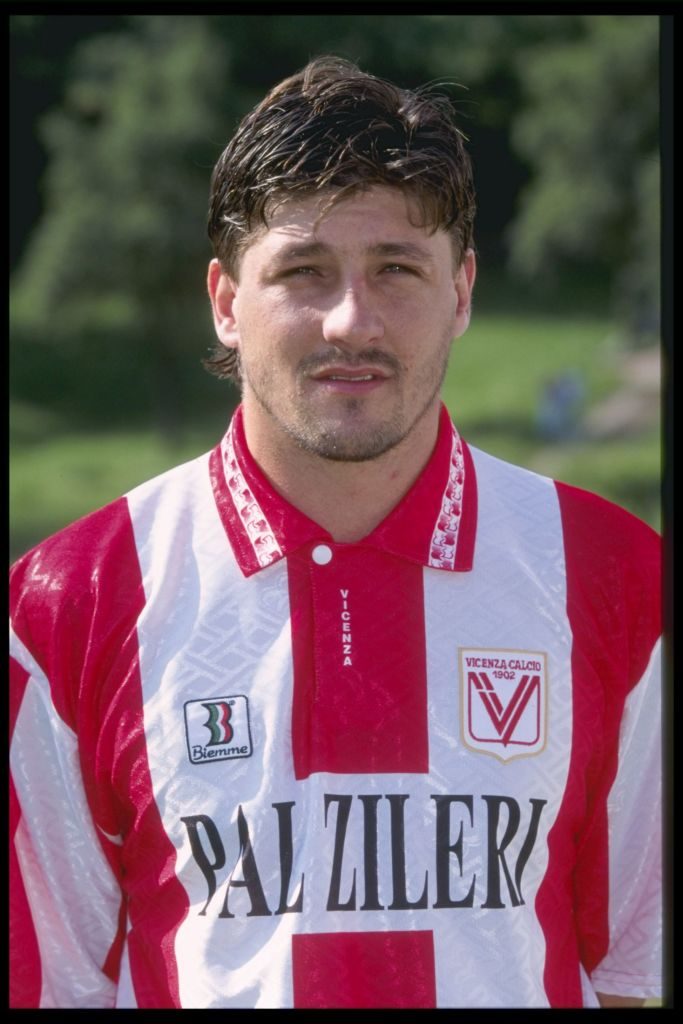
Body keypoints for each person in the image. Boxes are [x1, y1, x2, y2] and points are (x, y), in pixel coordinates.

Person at [9, 56, 662, 1010]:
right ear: (227, 302)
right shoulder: (67, 602)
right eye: (302, 272)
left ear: (463, 290)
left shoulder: (613, 575)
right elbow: (54, 987)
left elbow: (621, 973)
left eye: (397, 268)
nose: (351, 320)